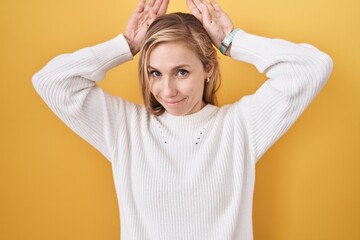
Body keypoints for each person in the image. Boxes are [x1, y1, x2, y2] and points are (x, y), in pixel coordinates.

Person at [32, 0, 333, 239]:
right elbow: (51, 81)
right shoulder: (125, 128)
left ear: (209, 70)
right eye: (155, 73)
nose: (167, 90)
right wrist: (125, 46)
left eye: (182, 72)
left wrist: (231, 41)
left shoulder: (240, 127)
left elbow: (312, 67)